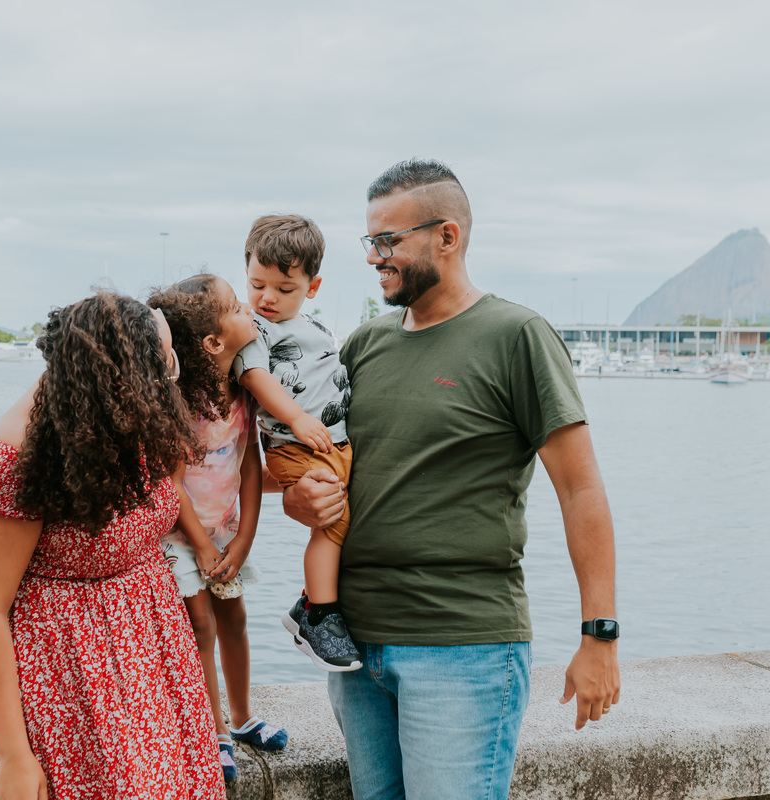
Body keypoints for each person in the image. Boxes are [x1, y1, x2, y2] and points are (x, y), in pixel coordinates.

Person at [282, 159, 621, 800]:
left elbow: (581, 491)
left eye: (389, 241)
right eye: (370, 241)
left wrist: (598, 634)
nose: (375, 257)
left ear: (448, 236)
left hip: (462, 649)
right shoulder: (363, 345)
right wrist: (296, 497)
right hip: (354, 650)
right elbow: (312, 463)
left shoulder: (517, 336)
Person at [0, 293, 225, 800]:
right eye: (164, 367)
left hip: (150, 656)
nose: (172, 380)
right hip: (67, 677)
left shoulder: (124, 421)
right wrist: (13, 757)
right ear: (123, 376)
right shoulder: (19, 453)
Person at [148, 274, 290, 782]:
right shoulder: (180, 406)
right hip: (181, 537)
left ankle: (242, 714)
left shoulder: (243, 392)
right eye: (236, 305)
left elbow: (251, 466)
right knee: (201, 628)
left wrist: (244, 536)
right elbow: (173, 486)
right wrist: (203, 545)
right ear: (212, 341)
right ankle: (214, 732)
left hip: (226, 532)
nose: (248, 307)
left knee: (234, 620)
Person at [228, 214, 359, 673]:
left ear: (312, 286)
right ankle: (318, 616)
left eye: (284, 289)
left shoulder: (315, 329)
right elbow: (255, 376)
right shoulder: (251, 329)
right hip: (292, 443)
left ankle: (311, 603)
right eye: (257, 284)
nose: (267, 298)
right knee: (330, 519)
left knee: (347, 517)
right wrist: (297, 418)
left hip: (332, 441)